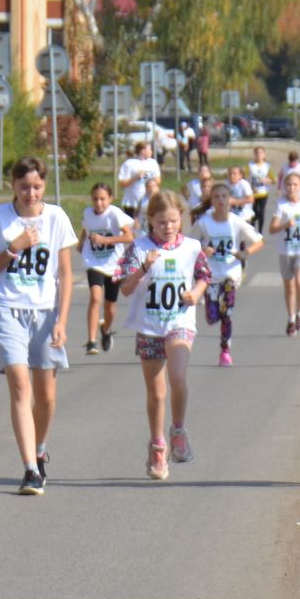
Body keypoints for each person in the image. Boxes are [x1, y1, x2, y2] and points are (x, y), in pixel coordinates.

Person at [0, 156, 79, 494]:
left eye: (36, 187)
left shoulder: (56, 218)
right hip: (7, 309)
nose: (30, 194)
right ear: (13, 186)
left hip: (46, 312)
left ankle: (40, 446)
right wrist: (13, 249)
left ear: (44, 185)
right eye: (23, 187)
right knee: (21, 385)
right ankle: (30, 470)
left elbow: (65, 274)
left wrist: (62, 321)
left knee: (46, 398)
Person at [116, 190, 211, 479]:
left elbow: (204, 275)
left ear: (180, 219)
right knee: (157, 393)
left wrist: (195, 293)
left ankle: (178, 431)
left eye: (173, 221)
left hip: (179, 322)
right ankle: (158, 447)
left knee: (178, 377)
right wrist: (144, 266)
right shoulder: (138, 247)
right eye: (161, 223)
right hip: (149, 326)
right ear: (150, 221)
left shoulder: (192, 247)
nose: (168, 227)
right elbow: (126, 288)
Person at [194, 179, 263, 365]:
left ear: (230, 200)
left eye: (224, 196)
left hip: (231, 273)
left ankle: (225, 349)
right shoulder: (204, 223)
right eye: (216, 197)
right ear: (211, 200)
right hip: (210, 275)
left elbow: (259, 240)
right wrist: (203, 249)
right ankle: (213, 313)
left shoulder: (236, 222)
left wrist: (245, 252)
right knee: (212, 317)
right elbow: (190, 244)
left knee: (227, 312)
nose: (221, 200)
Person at [80, 182, 135, 355]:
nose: (99, 203)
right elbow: (86, 228)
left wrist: (106, 241)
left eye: (103, 199)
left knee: (110, 306)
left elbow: (129, 237)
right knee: (95, 297)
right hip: (94, 261)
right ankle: (91, 341)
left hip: (114, 264)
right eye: (95, 199)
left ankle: (105, 330)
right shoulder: (88, 213)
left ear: (110, 199)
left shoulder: (114, 214)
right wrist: (81, 243)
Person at [268, 168, 300, 336]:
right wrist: (285, 225)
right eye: (288, 185)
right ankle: (291, 317)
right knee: (289, 286)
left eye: (294, 184)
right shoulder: (281, 205)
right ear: (284, 187)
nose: (291, 188)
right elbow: (272, 229)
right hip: (286, 250)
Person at [117, 141, 159, 221]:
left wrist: (149, 176)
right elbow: (122, 183)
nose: (151, 151)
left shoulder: (153, 163)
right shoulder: (129, 163)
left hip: (148, 201)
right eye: (149, 149)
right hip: (132, 203)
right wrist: (135, 177)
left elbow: (158, 180)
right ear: (142, 151)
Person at [247, 145, 274, 229]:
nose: (259, 155)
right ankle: (252, 230)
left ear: (264, 155)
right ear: (254, 155)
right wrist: (250, 187)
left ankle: (260, 232)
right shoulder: (250, 165)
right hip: (253, 193)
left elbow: (274, 180)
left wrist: (267, 180)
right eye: (257, 153)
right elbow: (245, 178)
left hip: (263, 193)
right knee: (253, 213)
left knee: (261, 212)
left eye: (261, 153)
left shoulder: (267, 166)